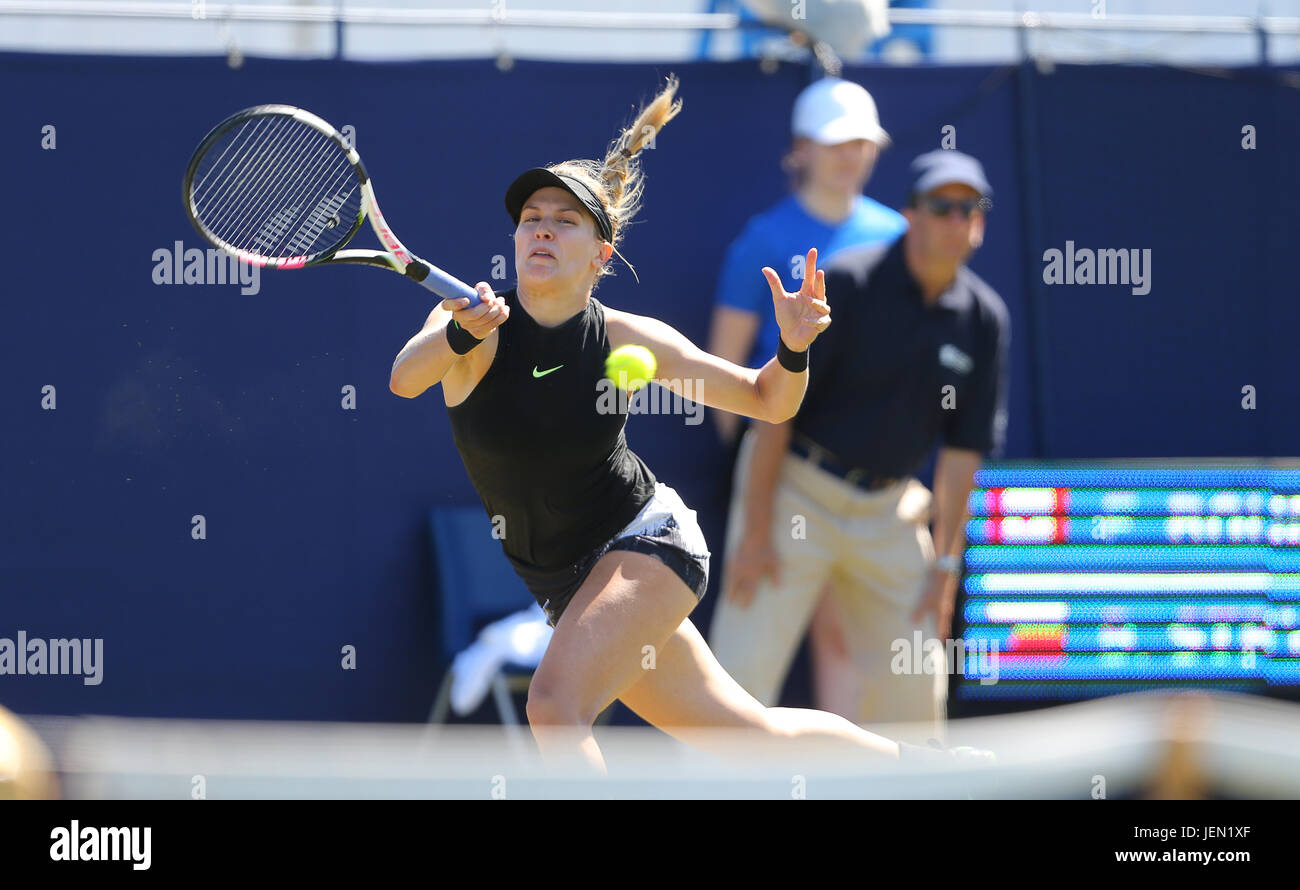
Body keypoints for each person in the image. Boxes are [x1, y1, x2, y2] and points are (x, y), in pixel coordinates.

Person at [388, 76, 972, 775]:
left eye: (564, 220)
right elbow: (404, 378)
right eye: (530, 218)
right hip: (568, 583)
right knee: (744, 732)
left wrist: (792, 348)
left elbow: (767, 400)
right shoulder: (466, 325)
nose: (541, 228)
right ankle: (936, 772)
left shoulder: (628, 338)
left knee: (553, 706)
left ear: (601, 255)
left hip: (648, 544)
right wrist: (458, 336)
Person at [708, 149, 1010, 740]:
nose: (957, 220)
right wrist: (755, 526)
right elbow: (776, 411)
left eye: (969, 208)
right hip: (795, 491)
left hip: (889, 512)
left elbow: (962, 454)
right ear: (911, 216)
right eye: (942, 207)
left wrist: (946, 566)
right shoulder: (850, 281)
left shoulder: (983, 320)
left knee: (916, 692)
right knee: (734, 688)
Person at [707, 75, 905, 719]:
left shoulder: (902, 236)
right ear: (802, 148)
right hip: (784, 469)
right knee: (741, 674)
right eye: (835, 143)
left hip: (878, 489)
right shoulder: (761, 239)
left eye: (861, 144)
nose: (850, 156)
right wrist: (760, 481)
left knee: (854, 651)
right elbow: (724, 369)